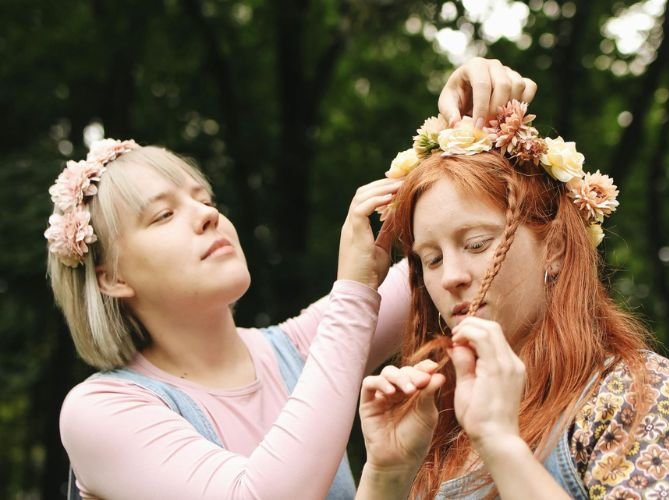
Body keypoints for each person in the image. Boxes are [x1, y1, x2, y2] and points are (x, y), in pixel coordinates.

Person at [47, 59, 537, 499]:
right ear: (111, 279)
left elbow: (455, 263)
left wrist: (468, 121)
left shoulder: (300, 349)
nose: (205, 216)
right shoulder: (100, 410)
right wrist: (351, 291)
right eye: (162, 216)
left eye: (205, 200)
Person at [355, 100, 669, 499]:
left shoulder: (637, 393)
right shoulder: (435, 427)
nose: (451, 278)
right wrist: (385, 476)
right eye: (433, 259)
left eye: (477, 244)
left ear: (556, 248)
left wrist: (500, 444)